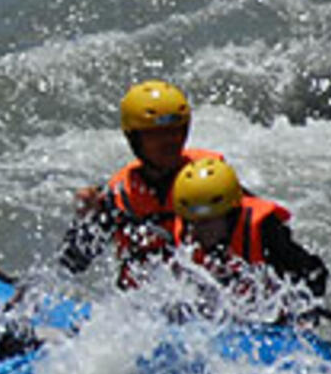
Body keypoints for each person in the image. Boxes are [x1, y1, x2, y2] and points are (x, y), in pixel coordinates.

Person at [60, 79, 223, 287]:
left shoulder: (212, 179)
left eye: (175, 131)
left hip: (207, 303)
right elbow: (72, 264)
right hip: (142, 310)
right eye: (156, 135)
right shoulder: (118, 196)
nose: (169, 142)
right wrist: (85, 221)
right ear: (134, 139)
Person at [167, 157, 328, 321]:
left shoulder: (265, 230)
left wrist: (301, 311)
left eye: (208, 222)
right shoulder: (184, 237)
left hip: (271, 321)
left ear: (230, 216)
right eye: (193, 223)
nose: (200, 231)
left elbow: (315, 273)